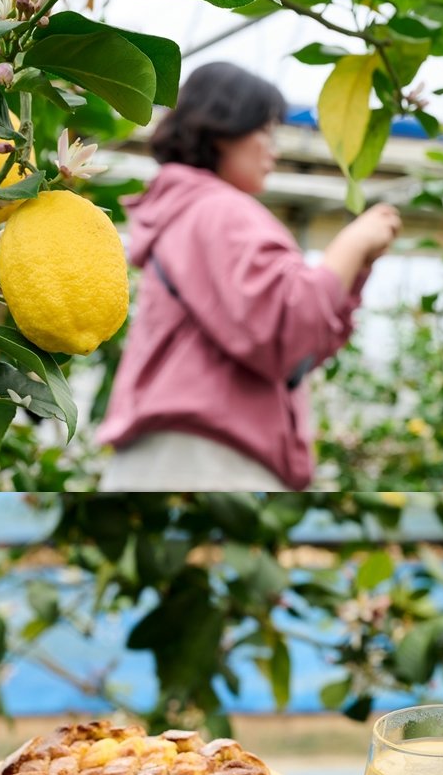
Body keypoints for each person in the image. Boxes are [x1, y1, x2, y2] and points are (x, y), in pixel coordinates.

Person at [96, 61, 402, 491]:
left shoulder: (186, 212)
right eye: (265, 132)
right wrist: (351, 244)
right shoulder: (217, 209)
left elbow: (297, 349)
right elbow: (286, 327)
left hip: (170, 456)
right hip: (206, 459)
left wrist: (351, 272)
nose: (273, 150)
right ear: (222, 128)